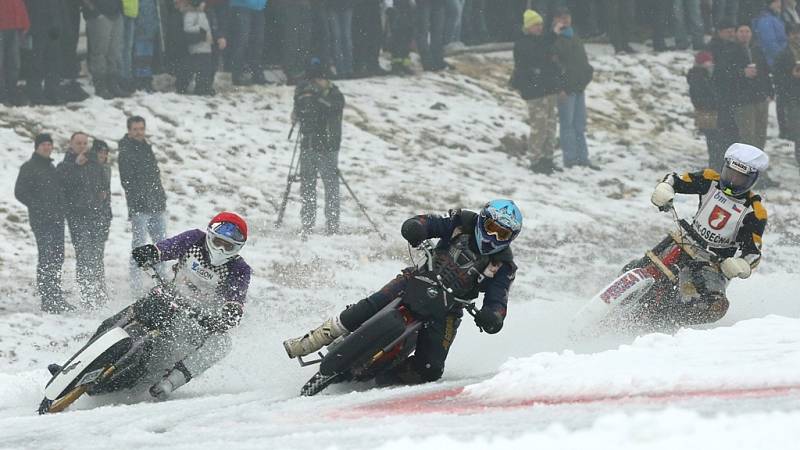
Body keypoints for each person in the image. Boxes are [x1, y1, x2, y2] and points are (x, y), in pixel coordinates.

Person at [283, 200, 522, 385]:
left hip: (449, 308)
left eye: (502, 234)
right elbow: (428, 222)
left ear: (510, 238)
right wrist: (416, 227)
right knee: (370, 304)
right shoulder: (460, 222)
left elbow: (499, 300)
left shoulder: (504, 266)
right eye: (491, 227)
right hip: (418, 279)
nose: (493, 237)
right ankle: (310, 341)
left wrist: (492, 316)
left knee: (431, 369)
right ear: (482, 220)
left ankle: (386, 379)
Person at [58, 212, 252, 399]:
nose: (220, 249)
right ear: (210, 235)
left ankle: (169, 383)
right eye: (218, 242)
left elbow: (236, 299)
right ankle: (73, 367)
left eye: (228, 247)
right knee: (113, 322)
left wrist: (228, 315)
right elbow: (167, 248)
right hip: (166, 297)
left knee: (222, 344)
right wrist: (150, 252)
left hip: (197, 321)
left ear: (238, 248)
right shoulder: (194, 239)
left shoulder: (240, 269)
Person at [639, 143, 767, 326]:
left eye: (740, 178)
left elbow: (753, 253)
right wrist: (665, 188)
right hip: (682, 241)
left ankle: (666, 324)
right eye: (730, 174)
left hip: (712, 263)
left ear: (752, 180)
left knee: (713, 304)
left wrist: (741, 264)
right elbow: (675, 179)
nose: (732, 181)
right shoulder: (709, 180)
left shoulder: (754, 211)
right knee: (638, 269)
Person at [14, 133, 74, 313]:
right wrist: (38, 206)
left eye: (49, 144)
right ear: (37, 147)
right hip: (41, 221)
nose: (47, 147)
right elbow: (20, 192)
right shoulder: (29, 167)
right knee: (47, 257)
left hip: (56, 220)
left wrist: (61, 207)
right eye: (44, 145)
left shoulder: (51, 167)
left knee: (57, 257)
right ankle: (47, 298)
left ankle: (56, 295)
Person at [57, 136, 113, 306]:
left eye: (84, 143)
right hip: (77, 217)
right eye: (78, 143)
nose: (82, 146)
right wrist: (75, 165)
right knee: (84, 256)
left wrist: (103, 197)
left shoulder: (94, 163)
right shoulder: (65, 165)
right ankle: (87, 294)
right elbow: (61, 185)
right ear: (71, 145)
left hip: (97, 216)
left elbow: (104, 185)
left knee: (97, 256)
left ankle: (100, 292)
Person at [293, 58, 345, 236]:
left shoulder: (335, 95)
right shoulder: (304, 94)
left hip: (328, 147)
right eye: (314, 80)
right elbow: (299, 113)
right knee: (307, 186)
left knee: (330, 187)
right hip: (308, 145)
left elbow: (331, 109)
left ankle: (332, 224)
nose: (316, 84)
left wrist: (317, 98)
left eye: (319, 80)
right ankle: (307, 223)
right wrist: (303, 98)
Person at [118, 116, 168, 293]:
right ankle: (136, 287)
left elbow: (155, 175)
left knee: (161, 246)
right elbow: (127, 181)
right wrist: (139, 200)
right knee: (139, 246)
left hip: (157, 204)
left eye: (141, 128)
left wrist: (160, 197)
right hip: (140, 207)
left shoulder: (146, 147)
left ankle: (164, 283)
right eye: (135, 129)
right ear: (129, 131)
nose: (139, 132)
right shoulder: (125, 151)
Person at [512, 9, 563, 174]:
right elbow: (536, 56)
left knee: (550, 126)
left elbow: (550, 61)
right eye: (536, 25)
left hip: (548, 89)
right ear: (528, 27)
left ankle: (548, 158)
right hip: (534, 91)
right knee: (539, 126)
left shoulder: (542, 41)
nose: (539, 27)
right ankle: (535, 159)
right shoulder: (522, 43)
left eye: (541, 24)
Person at [552, 7, 595, 169]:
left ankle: (583, 158)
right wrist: (560, 88)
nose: (565, 20)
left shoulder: (574, 36)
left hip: (579, 88)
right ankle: (570, 159)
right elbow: (554, 67)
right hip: (565, 89)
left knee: (579, 125)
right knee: (567, 125)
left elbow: (581, 62)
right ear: (555, 19)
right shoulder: (554, 39)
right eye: (562, 18)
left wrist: (587, 75)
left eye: (567, 17)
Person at [688, 51, 725, 169]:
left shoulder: (701, 75)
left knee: (713, 139)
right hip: (707, 111)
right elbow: (700, 95)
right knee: (714, 139)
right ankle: (715, 164)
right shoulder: (699, 76)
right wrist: (713, 103)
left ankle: (716, 164)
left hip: (709, 110)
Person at [773, 22, 800, 172]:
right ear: (788, 36)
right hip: (794, 97)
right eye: (794, 33)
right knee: (798, 129)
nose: (797, 36)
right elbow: (778, 78)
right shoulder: (783, 54)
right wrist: (792, 76)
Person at [175, 0, 216, 95]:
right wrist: (201, 31)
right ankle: (182, 86)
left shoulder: (204, 14)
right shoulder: (190, 14)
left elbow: (208, 27)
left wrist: (210, 36)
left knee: (205, 69)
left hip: (206, 46)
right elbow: (187, 28)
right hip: (196, 46)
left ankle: (203, 87)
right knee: (191, 68)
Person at [0, 0, 29, 106]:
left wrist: (24, 21)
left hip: (13, 25)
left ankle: (11, 92)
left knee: (14, 63)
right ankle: (3, 95)